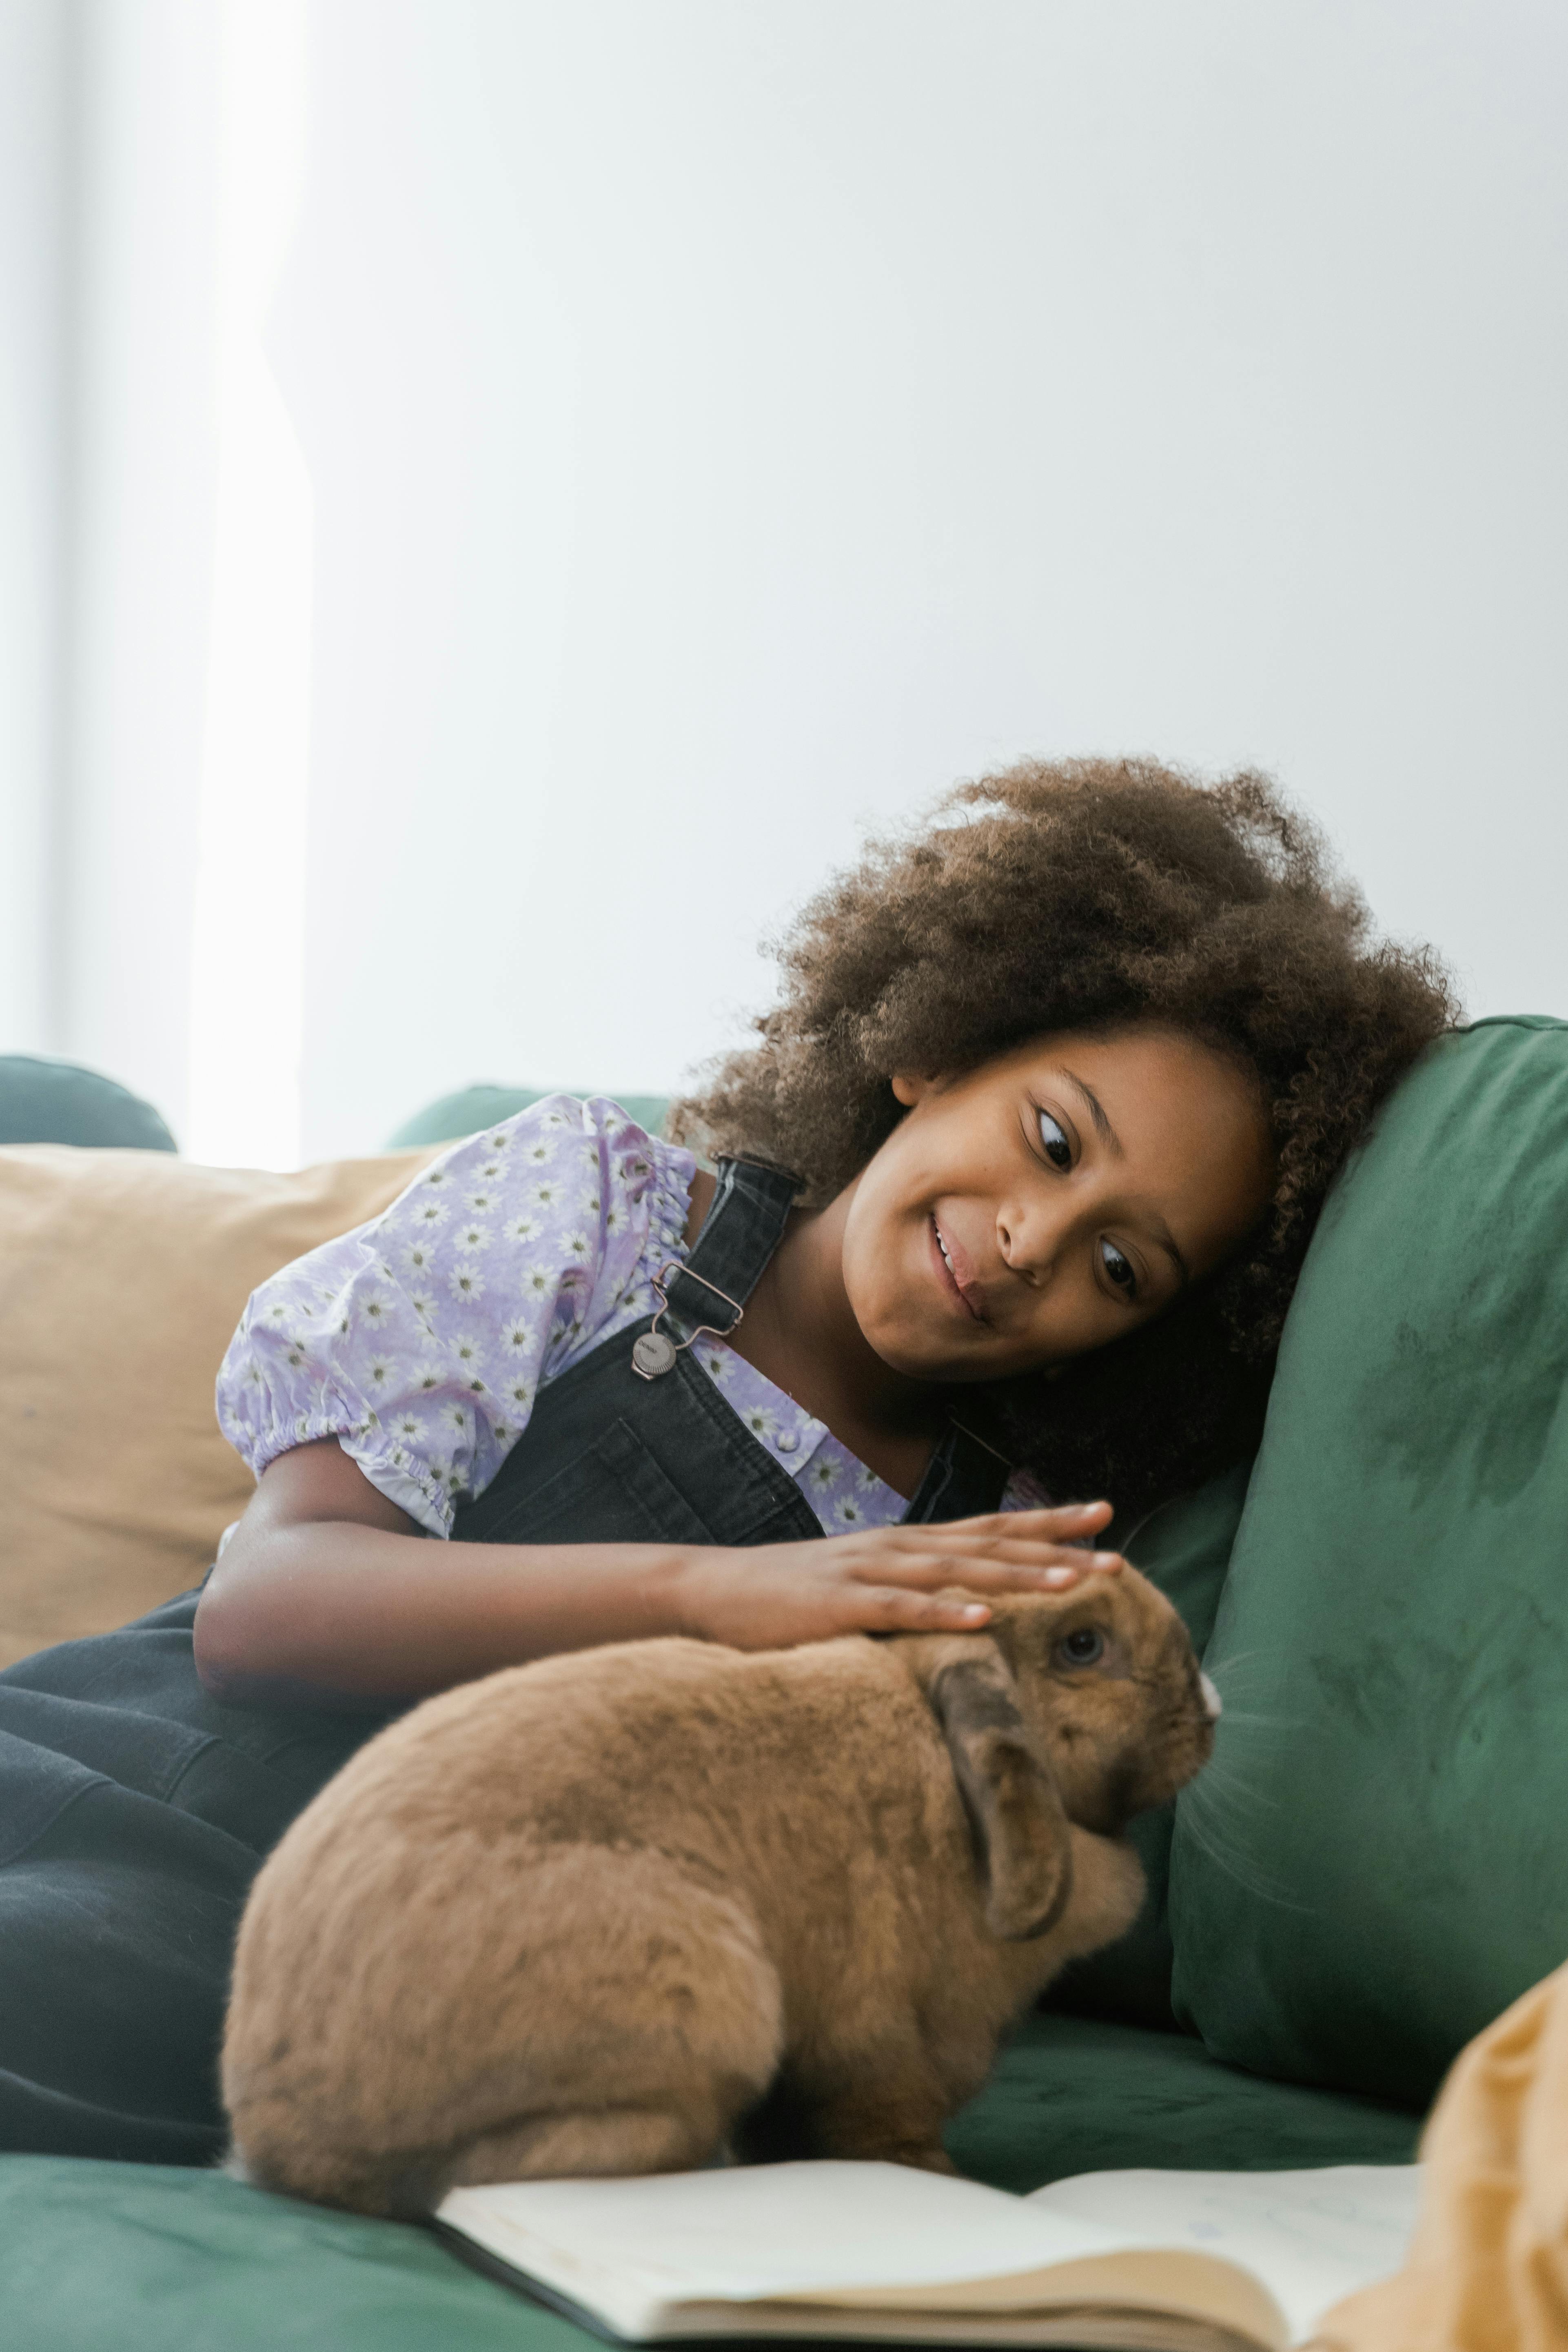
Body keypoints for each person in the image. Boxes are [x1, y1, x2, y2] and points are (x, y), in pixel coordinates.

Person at [0, 758, 1455, 2162]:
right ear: (932, 1045)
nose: (1030, 1240)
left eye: (1121, 1263)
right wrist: (720, 1593)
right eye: (1052, 1139)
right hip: (142, 1782)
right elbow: (266, 1615)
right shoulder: (595, 1208)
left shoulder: (997, 1542)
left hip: (419, 1964)